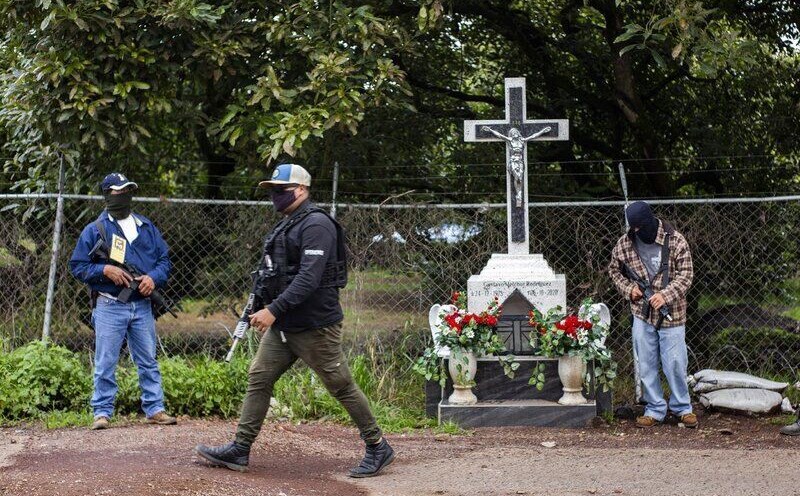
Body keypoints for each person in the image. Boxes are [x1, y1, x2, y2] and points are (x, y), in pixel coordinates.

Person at [195, 164, 394, 477]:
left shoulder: (316, 224)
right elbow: (275, 273)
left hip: (315, 326)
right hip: (285, 325)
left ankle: (378, 445)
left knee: (340, 386)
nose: (275, 195)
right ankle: (240, 448)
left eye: (281, 189)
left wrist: (273, 309)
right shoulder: (288, 224)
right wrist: (261, 303)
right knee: (259, 377)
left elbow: (308, 278)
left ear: (301, 189)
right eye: (272, 189)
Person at [69, 173, 176, 430]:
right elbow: (78, 266)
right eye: (117, 191)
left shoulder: (146, 226)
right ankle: (102, 413)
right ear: (107, 195)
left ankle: (155, 408)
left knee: (148, 359)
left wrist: (153, 278)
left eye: (127, 190)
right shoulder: (95, 230)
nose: (123, 195)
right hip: (109, 305)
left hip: (141, 305)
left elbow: (165, 261)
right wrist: (105, 270)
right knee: (106, 361)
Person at [608, 201, 697, 429]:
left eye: (640, 227)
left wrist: (665, 296)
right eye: (634, 228)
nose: (637, 232)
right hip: (641, 313)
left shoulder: (675, 240)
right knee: (646, 362)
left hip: (672, 313)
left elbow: (686, 276)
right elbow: (614, 271)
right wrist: (630, 291)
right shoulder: (625, 243)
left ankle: (682, 408)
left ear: (650, 221)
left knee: (675, 362)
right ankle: (655, 408)